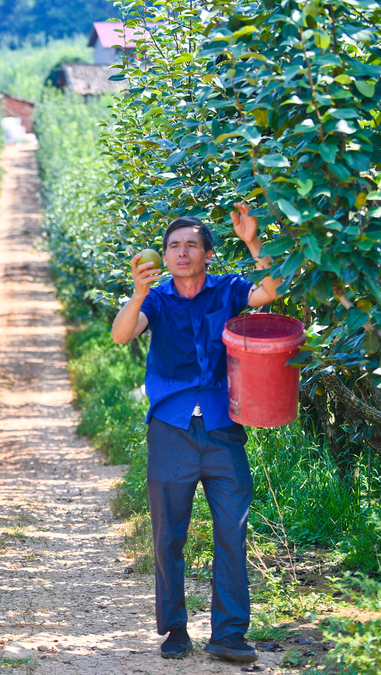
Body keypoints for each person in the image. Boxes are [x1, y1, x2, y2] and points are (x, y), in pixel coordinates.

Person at [110, 204, 281, 663]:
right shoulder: (157, 300)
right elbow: (122, 335)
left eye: (191, 245)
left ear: (208, 253)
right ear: (163, 257)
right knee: (168, 533)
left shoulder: (227, 291)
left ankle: (228, 634)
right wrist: (137, 291)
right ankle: (175, 629)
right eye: (173, 246)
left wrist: (252, 241)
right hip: (171, 431)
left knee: (232, 529)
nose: (181, 252)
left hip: (224, 430)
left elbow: (271, 288)